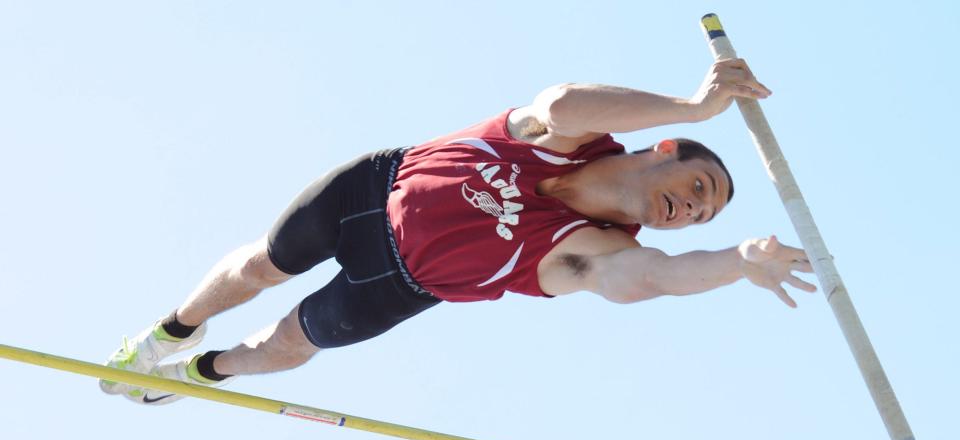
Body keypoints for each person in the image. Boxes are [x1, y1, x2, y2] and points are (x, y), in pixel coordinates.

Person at [101, 58, 815, 405]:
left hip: (400, 283)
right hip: (371, 190)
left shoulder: (597, 250)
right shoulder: (570, 132)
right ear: (661, 149)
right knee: (262, 265)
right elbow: (563, 99)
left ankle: (198, 375)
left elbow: (652, 278)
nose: (692, 211)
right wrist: (694, 109)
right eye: (697, 188)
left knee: (288, 342)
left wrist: (737, 261)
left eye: (704, 215)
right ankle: (171, 332)